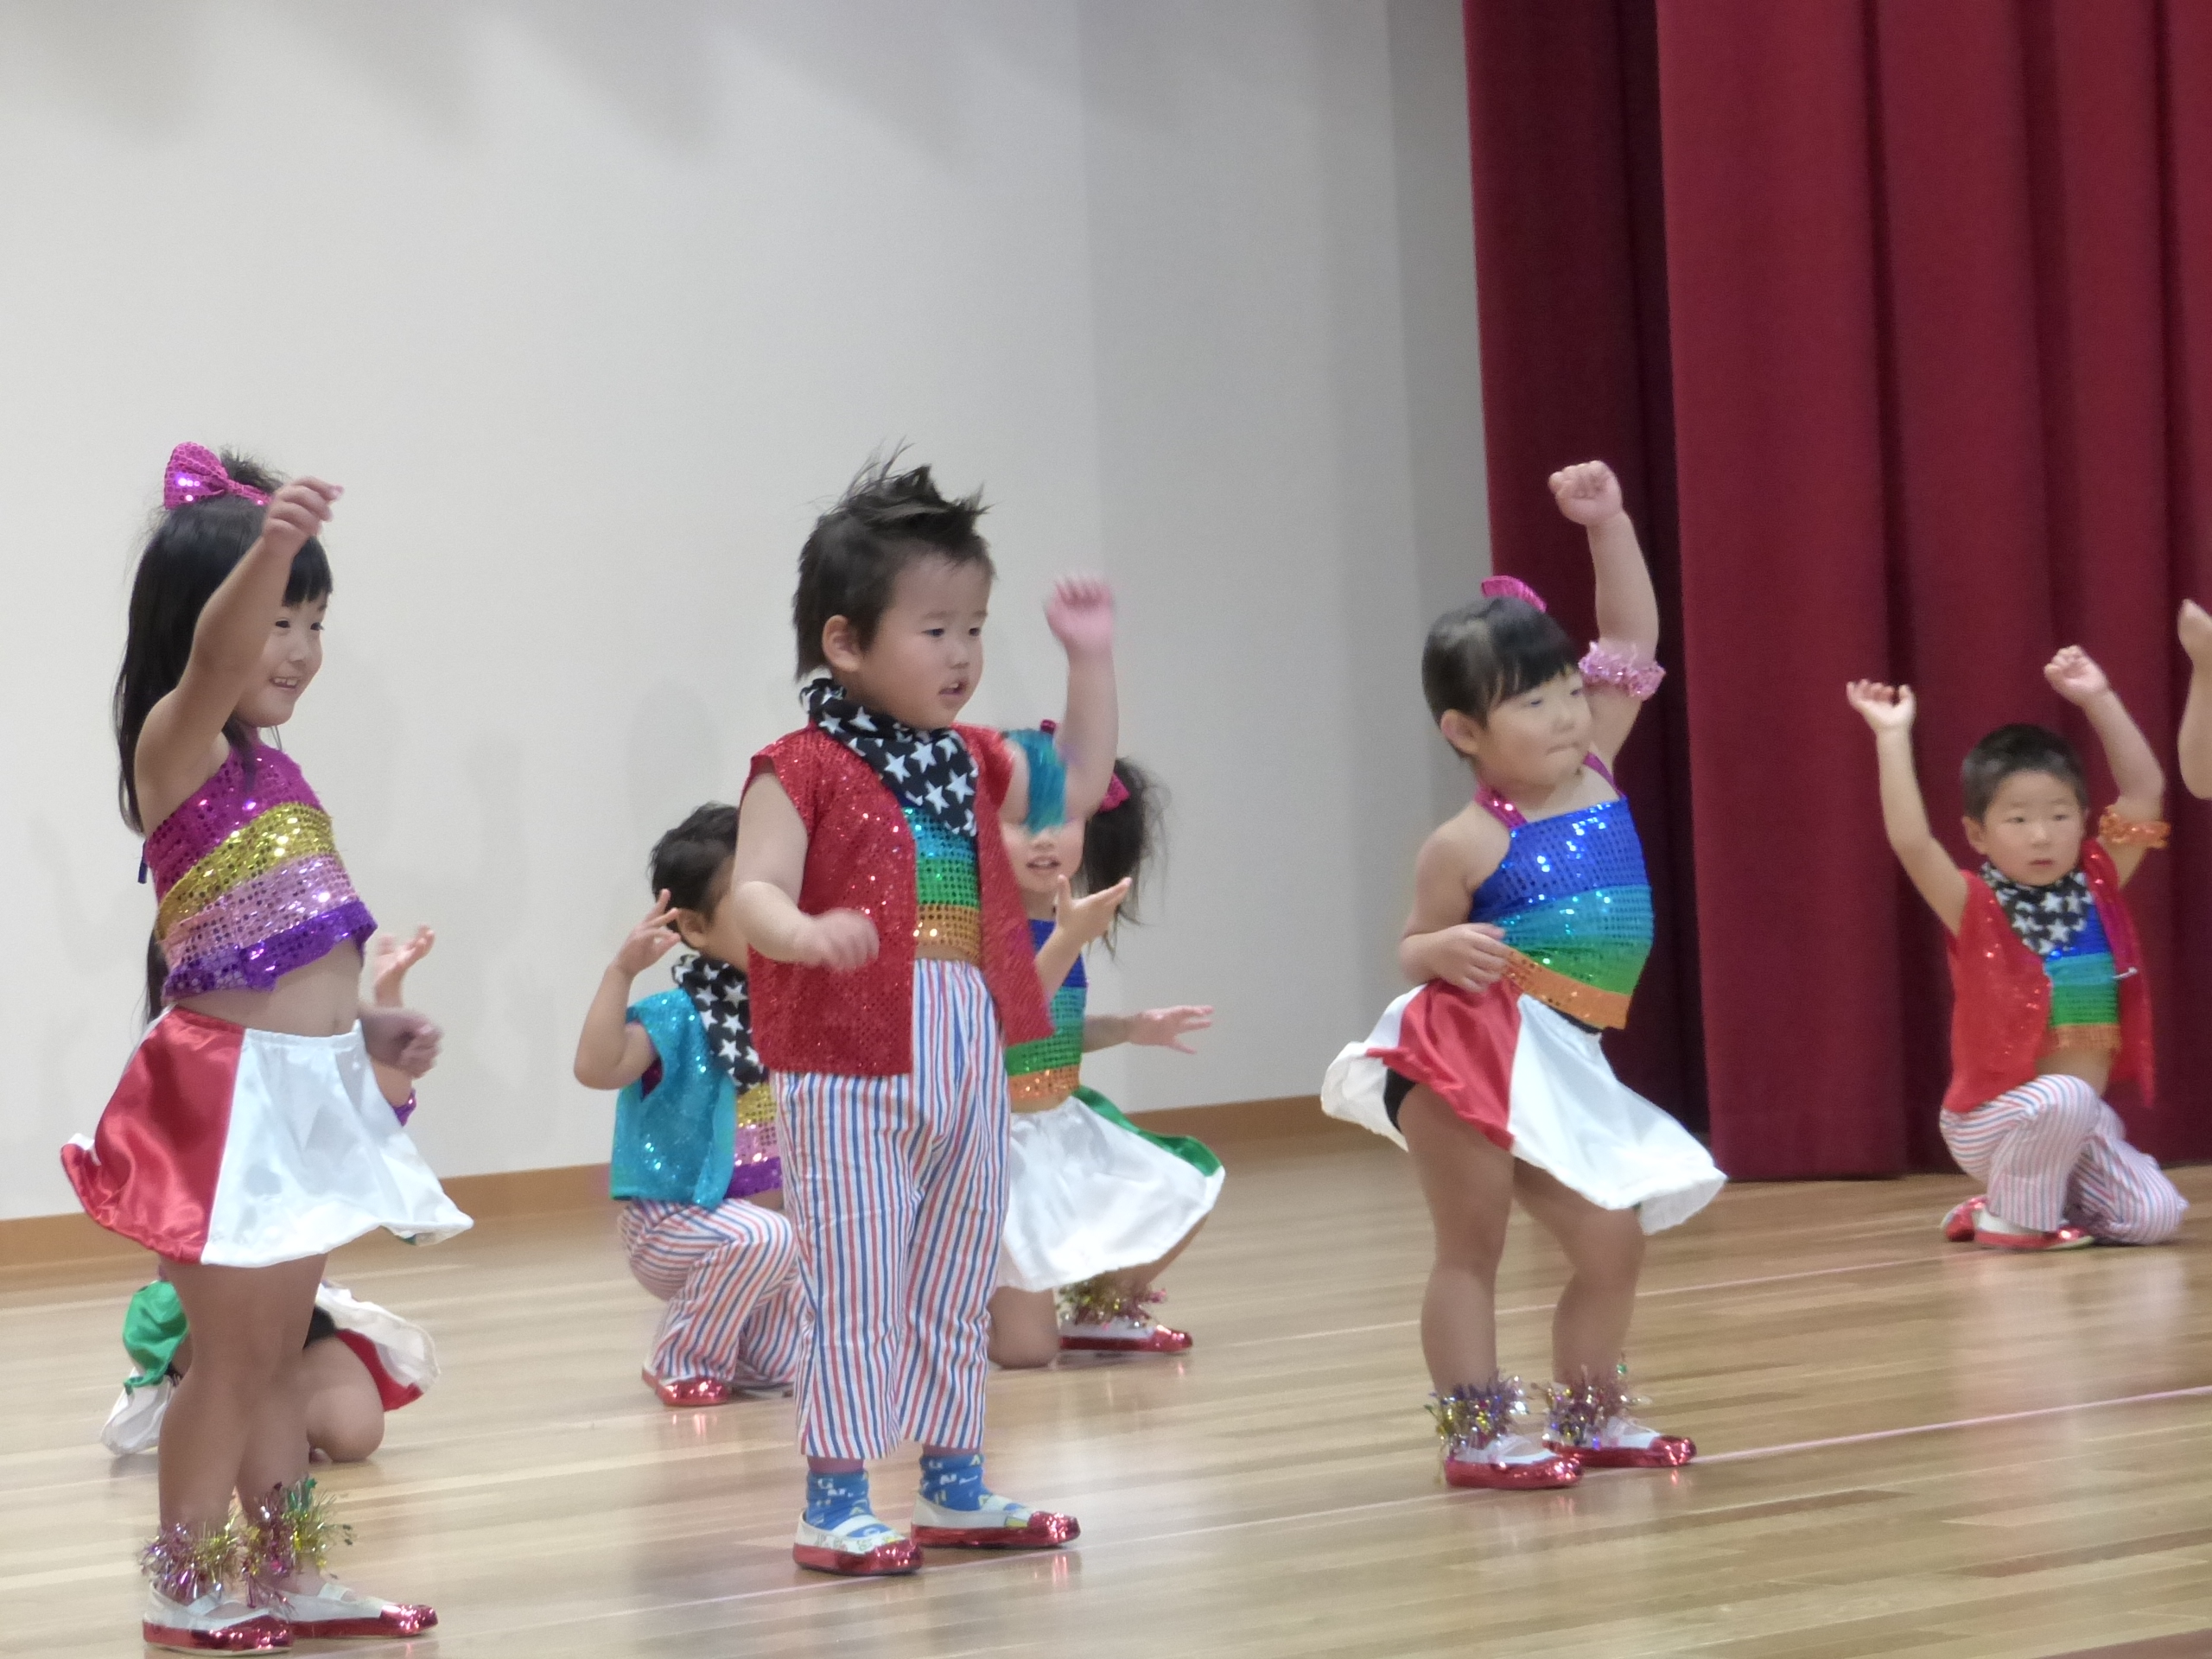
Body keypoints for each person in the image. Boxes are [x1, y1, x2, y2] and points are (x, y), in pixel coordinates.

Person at [61, 446, 468, 1651]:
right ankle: (183, 1589)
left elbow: (287, 957)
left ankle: (285, 1576)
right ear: (208, 626)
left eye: (314, 621)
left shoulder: (274, 768)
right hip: (226, 1109)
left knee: (280, 1363)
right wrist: (274, 542)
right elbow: (213, 661)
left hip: (301, 1096)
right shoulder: (176, 741)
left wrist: (368, 1024)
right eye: (278, 620)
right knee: (230, 1368)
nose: (297, 648)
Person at [730, 457, 1116, 1573]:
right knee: (855, 1281)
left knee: (956, 1272)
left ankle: (953, 1481)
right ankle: (835, 1498)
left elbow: (1081, 776)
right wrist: (801, 932)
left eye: (975, 629)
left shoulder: (971, 761)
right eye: (936, 630)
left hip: (963, 1047)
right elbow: (753, 890)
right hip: (846, 1061)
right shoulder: (799, 767)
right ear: (845, 642)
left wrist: (1089, 658)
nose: (963, 655)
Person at [1323, 461, 1724, 1491]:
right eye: (1533, 702)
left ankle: (1588, 1414)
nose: (1566, 715)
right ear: (1465, 733)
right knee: (1474, 1242)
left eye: (1567, 692)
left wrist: (1608, 524)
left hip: (1560, 1058)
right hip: (1468, 1054)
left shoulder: (1595, 768)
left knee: (1611, 1237)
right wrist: (1441, 951)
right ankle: (1475, 1435)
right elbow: (1413, 946)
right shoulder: (1464, 842)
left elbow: (1631, 641)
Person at [1846, 648, 2186, 1250]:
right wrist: (1891, 737)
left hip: (2078, 1125)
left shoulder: (2099, 884)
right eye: (2019, 820)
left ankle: (2014, 1204)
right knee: (2065, 1095)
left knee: (2155, 1219)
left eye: (2059, 815)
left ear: (2082, 818)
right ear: (1977, 833)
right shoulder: (1973, 905)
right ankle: (2013, 1218)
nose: (2042, 835)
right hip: (1991, 1122)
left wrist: (2098, 698)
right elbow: (1912, 842)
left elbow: (2144, 790)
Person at [103, 933, 444, 1464]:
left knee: (352, 1432)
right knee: (245, 1401)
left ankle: (260, 1421)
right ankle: (201, 1402)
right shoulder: (178, 1073)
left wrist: (387, 1003)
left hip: (294, 1307)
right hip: (209, 1312)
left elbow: (382, 1111)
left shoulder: (305, 1068)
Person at [988, 743, 1221, 1367]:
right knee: (1026, 1352)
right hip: (998, 1142)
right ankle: (947, 1315)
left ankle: (1101, 1309)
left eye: (1060, 820)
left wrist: (1128, 1027)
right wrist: (1067, 940)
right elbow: (1005, 1026)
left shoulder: (1064, 920)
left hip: (1058, 1123)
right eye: (1021, 823)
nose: (1043, 839)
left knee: (1185, 1181)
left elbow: (1054, 1027)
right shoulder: (980, 926)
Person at [572, 804, 804, 1408]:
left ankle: (746, 1352)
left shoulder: (797, 1009)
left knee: (788, 1362)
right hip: (676, 1225)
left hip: (769, 1236)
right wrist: (620, 972)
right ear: (697, 929)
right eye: (754, 902)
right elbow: (597, 1068)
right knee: (764, 1236)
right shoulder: (679, 1016)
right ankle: (682, 1359)